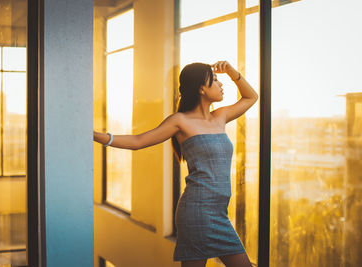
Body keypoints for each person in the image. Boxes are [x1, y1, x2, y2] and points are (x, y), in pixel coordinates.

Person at [93, 60, 258, 267]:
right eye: (215, 80)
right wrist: (97, 136)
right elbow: (138, 141)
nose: (221, 84)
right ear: (201, 88)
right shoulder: (180, 121)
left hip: (219, 212)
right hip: (197, 209)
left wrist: (233, 72)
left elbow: (251, 97)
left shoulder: (220, 117)